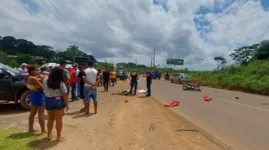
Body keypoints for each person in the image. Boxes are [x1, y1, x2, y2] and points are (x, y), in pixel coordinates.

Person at [44, 67, 69, 141]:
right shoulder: (61, 83)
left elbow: (46, 77)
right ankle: (58, 136)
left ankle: (49, 135)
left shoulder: (45, 81)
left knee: (50, 118)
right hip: (58, 100)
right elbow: (65, 94)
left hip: (48, 100)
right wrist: (67, 104)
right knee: (59, 119)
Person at [26, 66, 46, 134]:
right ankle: (43, 130)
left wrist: (40, 77)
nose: (38, 72)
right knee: (41, 114)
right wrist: (41, 78)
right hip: (38, 95)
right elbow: (43, 88)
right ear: (32, 71)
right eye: (36, 70)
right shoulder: (34, 78)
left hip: (33, 94)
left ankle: (30, 129)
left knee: (33, 113)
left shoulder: (29, 77)